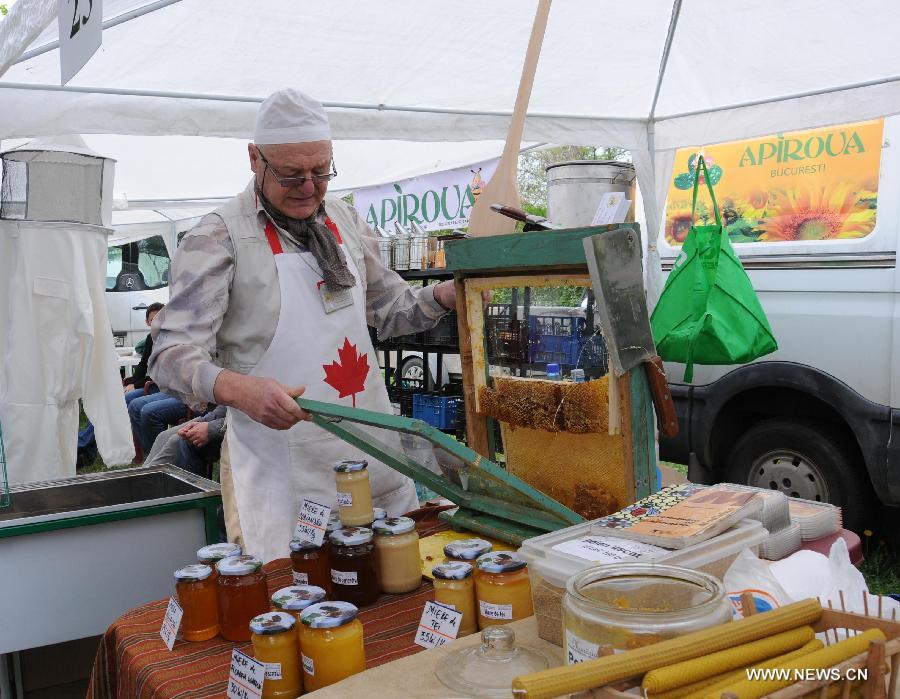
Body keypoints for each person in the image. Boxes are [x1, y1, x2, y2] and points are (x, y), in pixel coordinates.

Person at [150, 89, 456, 563]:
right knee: (304, 599)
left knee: (395, 585)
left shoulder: (346, 221)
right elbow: (170, 354)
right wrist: (236, 389)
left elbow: (391, 308)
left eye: (321, 172)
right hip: (286, 467)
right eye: (291, 174)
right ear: (255, 159)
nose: (309, 187)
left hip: (372, 454)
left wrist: (442, 296)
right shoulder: (218, 238)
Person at [125, 302, 190, 456]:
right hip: (166, 386)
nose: (157, 322)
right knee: (130, 403)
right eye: (153, 319)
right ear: (147, 322)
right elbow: (144, 365)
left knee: (139, 407)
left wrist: (135, 384)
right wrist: (133, 382)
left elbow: (158, 373)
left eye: (161, 318)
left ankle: (159, 457)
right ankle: (149, 455)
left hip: (177, 390)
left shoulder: (175, 338)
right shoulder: (152, 338)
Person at [143, 405, 227, 476]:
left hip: (231, 431)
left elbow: (238, 418)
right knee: (163, 436)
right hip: (219, 418)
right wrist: (204, 420)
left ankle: (144, 482)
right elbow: (227, 408)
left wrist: (210, 428)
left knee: (180, 440)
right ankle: (141, 476)